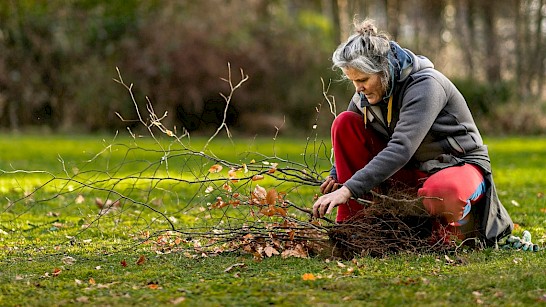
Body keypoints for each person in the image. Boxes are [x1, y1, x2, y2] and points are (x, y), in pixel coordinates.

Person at [312, 19, 513, 246]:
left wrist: (349, 188)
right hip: (413, 170)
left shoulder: (426, 85)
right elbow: (349, 135)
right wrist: (335, 173)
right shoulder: (366, 95)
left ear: (383, 70)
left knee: (442, 192)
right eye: (353, 81)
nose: (358, 88)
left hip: (457, 166)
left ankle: (461, 227)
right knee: (345, 122)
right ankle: (354, 228)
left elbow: (401, 148)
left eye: (363, 80)